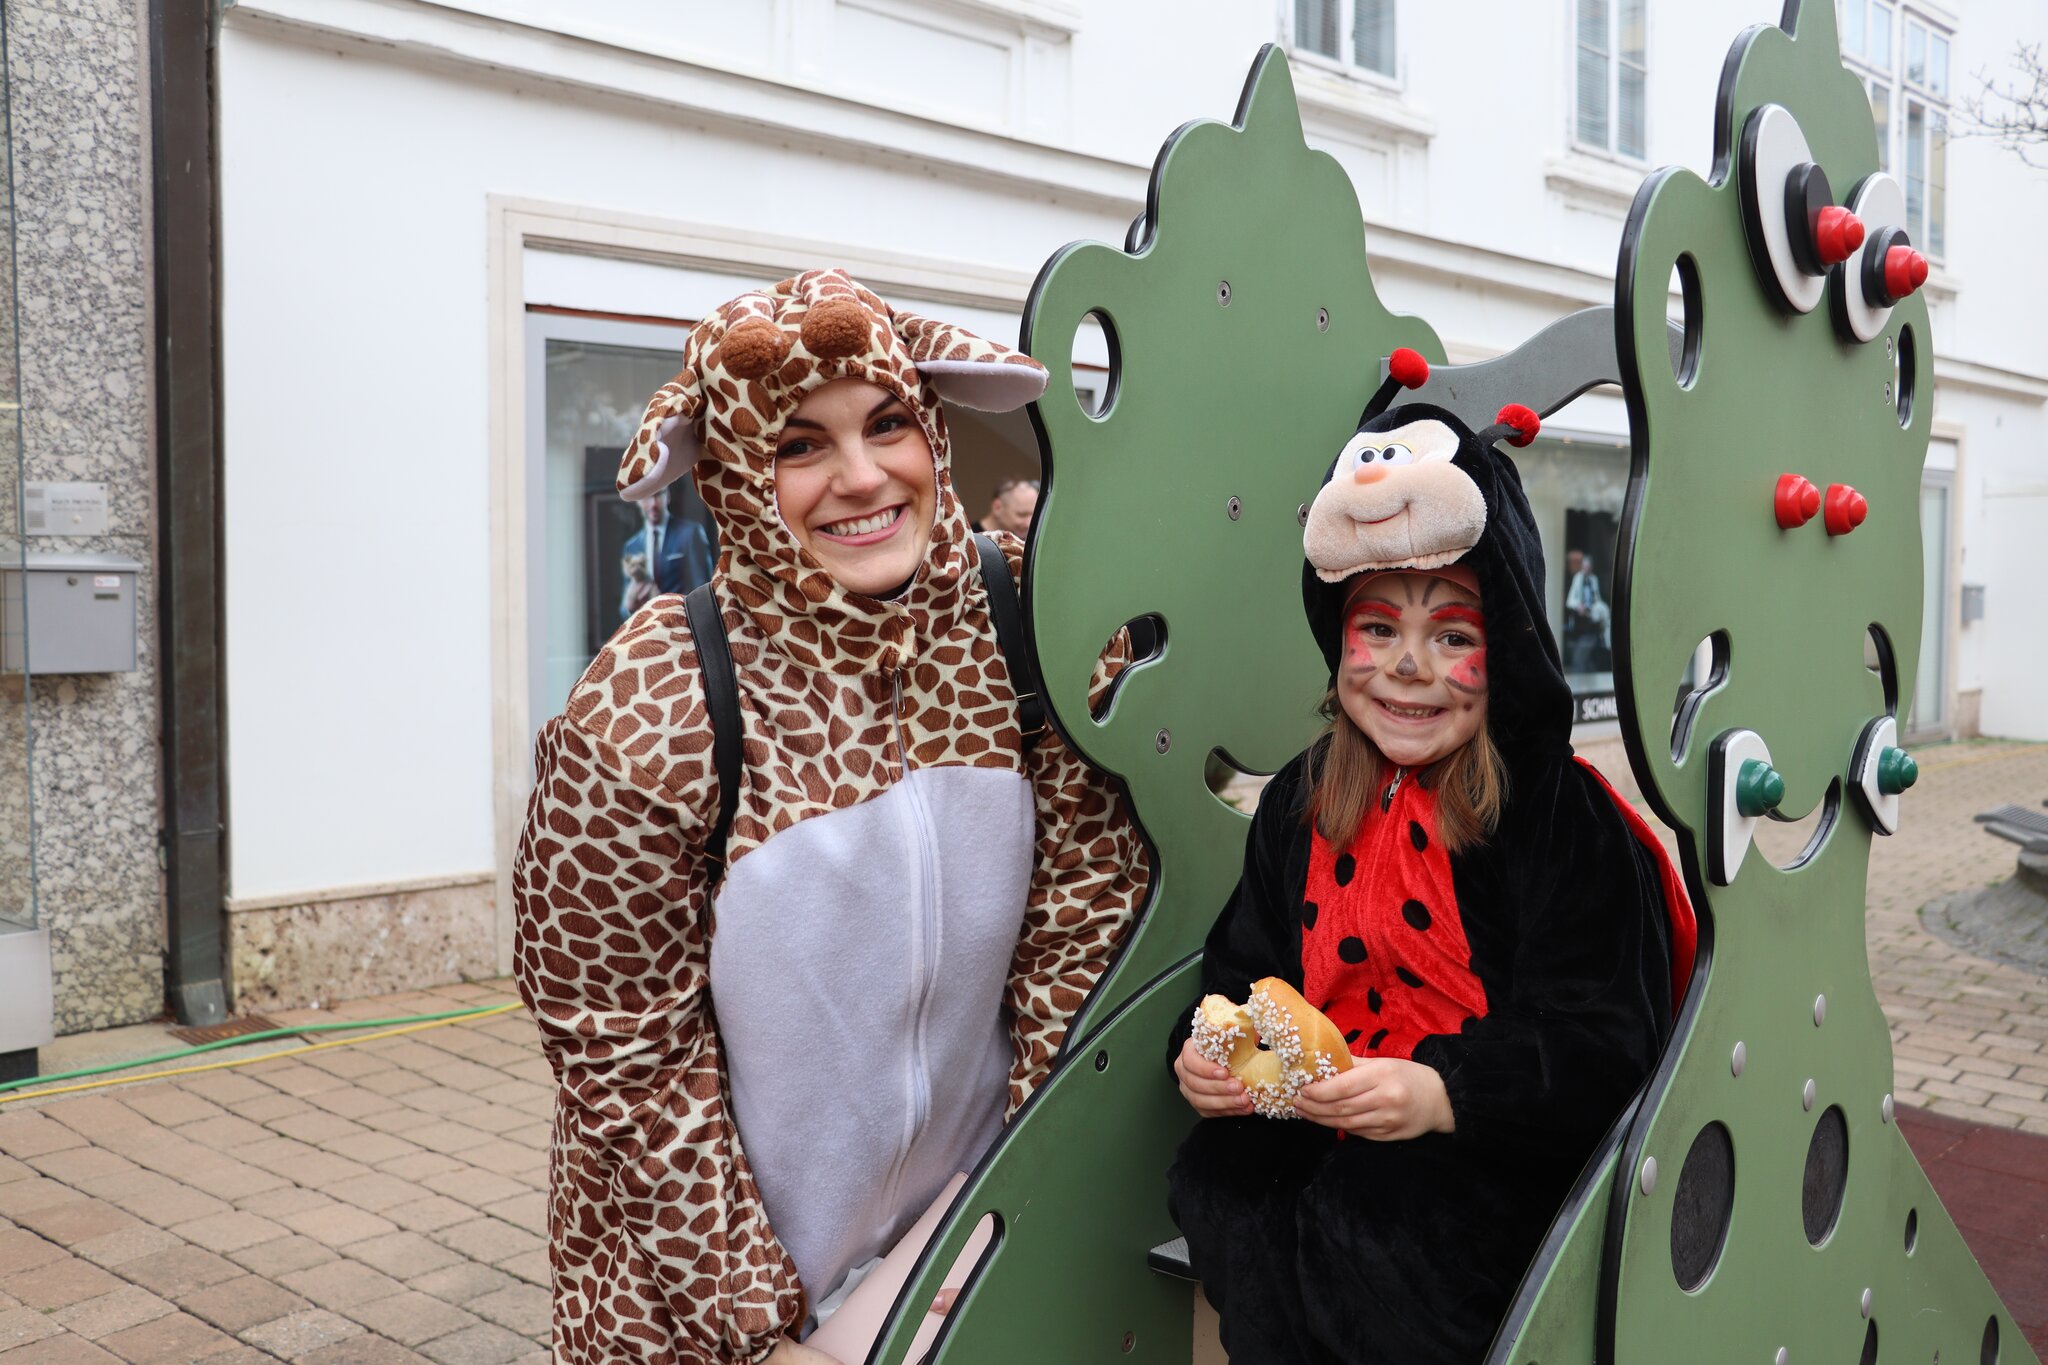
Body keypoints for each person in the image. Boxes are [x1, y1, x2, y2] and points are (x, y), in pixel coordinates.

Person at [512, 269, 1149, 1365]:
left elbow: (1082, 924)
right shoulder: (649, 706)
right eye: (799, 445)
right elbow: (621, 1051)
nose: (861, 478)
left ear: (934, 427)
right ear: (730, 471)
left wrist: (1017, 1207)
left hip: (956, 1248)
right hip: (707, 1300)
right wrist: (758, 1333)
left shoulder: (1030, 631)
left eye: (887, 424)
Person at [1165, 384, 1692, 1365]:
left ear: (1502, 651)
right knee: (1223, 1185)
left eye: (1450, 636)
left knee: (1389, 1227)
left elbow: (1606, 1046)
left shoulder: (1553, 816)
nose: (1405, 668)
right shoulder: (1301, 799)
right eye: (1376, 631)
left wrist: (1441, 1092)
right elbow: (1241, 968)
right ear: (1337, 643)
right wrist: (1203, 1053)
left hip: (1486, 1156)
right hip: (1311, 1131)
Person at [618, 485, 716, 620]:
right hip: (649, 630)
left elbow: (703, 592)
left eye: (658, 495)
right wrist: (629, 606)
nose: (654, 504)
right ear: (638, 501)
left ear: (668, 496)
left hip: (683, 627)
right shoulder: (632, 546)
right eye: (647, 497)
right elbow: (625, 609)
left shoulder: (690, 534)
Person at [1562, 546, 1610, 674]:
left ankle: (1606, 639)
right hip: (1581, 619)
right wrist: (1579, 606)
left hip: (1592, 614)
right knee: (1581, 656)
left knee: (1604, 612)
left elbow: (1597, 597)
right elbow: (1570, 600)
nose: (1587, 568)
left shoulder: (1593, 580)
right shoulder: (1578, 578)